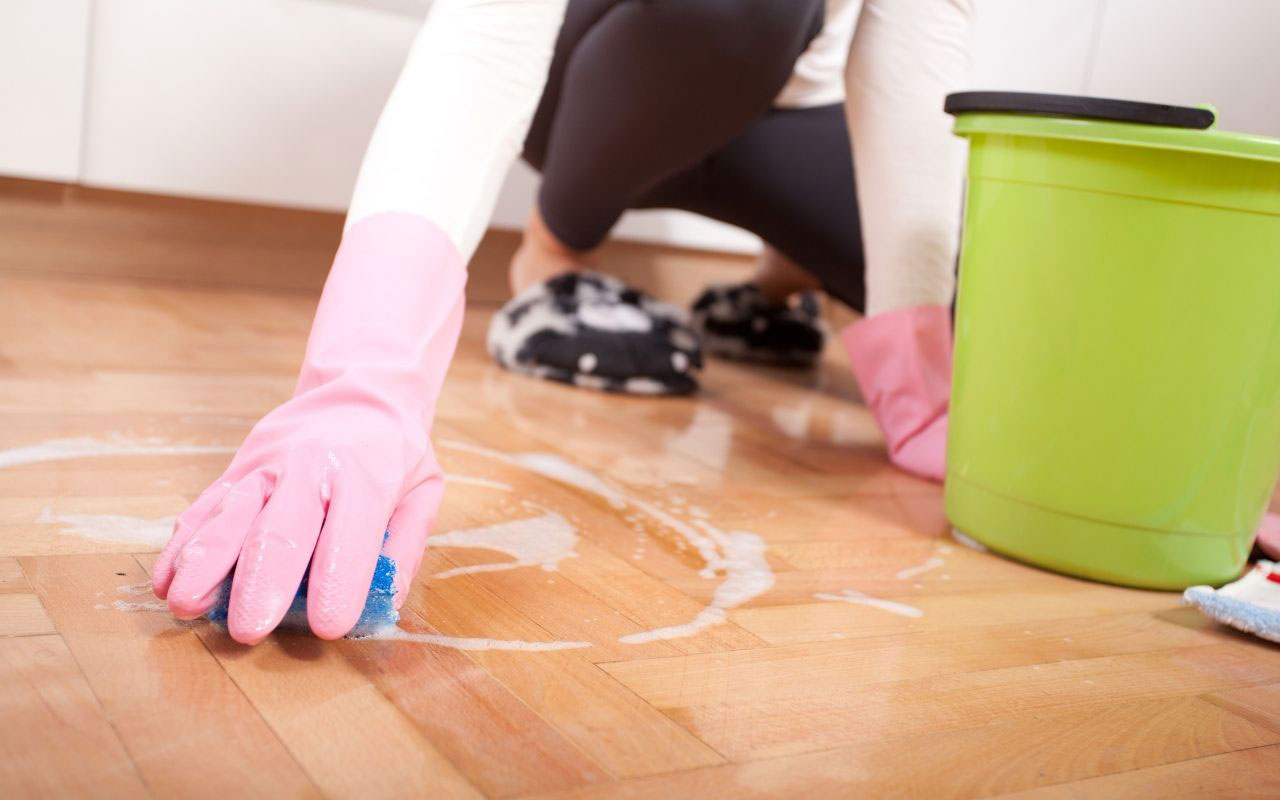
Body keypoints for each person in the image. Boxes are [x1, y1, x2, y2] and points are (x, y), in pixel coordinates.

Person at [152, 0, 976, 644]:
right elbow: (492, 32)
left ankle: (770, 283)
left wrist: (921, 377)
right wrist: (365, 373)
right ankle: (550, 256)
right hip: (605, 71)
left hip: (777, 110)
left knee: (968, 275)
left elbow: (912, 59)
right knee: (741, 11)